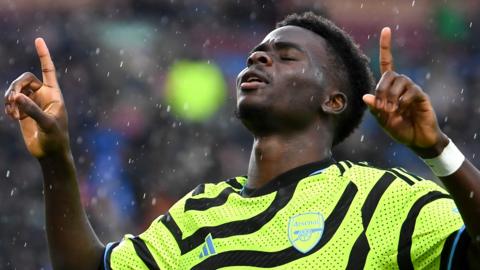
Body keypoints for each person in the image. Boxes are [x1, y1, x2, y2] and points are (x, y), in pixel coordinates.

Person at [3, 12, 480, 269]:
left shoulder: (385, 201)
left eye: (285, 56)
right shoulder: (197, 216)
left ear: (334, 101)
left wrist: (438, 150)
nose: (259, 58)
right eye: (258, 52)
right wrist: (55, 158)